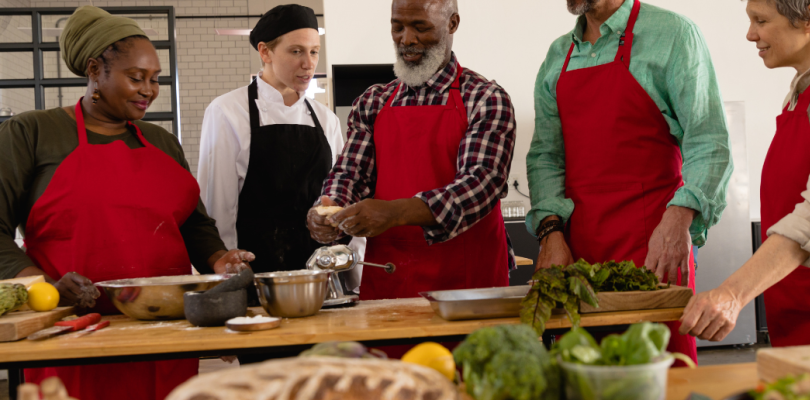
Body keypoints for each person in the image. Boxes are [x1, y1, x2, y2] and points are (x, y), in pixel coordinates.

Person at [0, 6, 252, 400]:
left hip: (162, 334)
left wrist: (219, 259)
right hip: (73, 335)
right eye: (136, 78)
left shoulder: (162, 142)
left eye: (155, 80)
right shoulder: (33, 133)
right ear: (94, 70)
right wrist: (42, 285)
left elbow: (194, 225)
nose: (149, 90)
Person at [526, 0, 734, 364]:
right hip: (577, 257)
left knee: (661, 376)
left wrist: (680, 217)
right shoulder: (558, 53)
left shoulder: (672, 34)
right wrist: (551, 232)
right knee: (582, 378)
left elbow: (708, 140)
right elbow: (546, 156)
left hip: (655, 251)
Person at [306, 0, 517, 301]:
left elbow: (480, 183)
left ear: (452, 24)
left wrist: (394, 213)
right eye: (397, 26)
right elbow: (350, 174)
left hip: (468, 281)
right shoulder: (373, 101)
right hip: (391, 275)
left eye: (421, 27)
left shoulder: (484, 98)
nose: (406, 39)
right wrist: (329, 210)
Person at [681, 0, 810, 347]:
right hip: (795, 316)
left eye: (760, 20)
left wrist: (732, 293)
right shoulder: (805, 89)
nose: (750, 34)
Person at [198, 5, 361, 289]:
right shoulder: (227, 111)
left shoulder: (326, 120)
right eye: (296, 51)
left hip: (319, 276)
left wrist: (351, 275)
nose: (309, 63)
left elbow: (340, 199)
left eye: (314, 51)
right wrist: (226, 278)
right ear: (265, 52)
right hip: (255, 276)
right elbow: (218, 207)